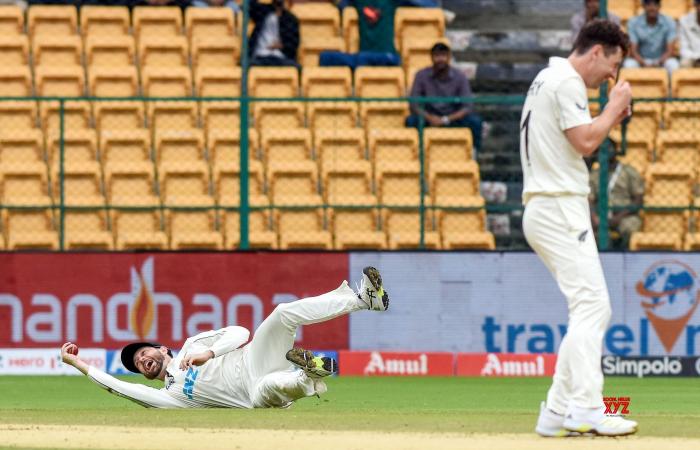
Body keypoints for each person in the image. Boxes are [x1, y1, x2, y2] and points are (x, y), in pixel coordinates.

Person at [520, 19, 638, 436]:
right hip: (557, 208)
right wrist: (613, 106)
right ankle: (586, 408)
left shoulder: (546, 78)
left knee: (587, 307)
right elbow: (585, 143)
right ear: (596, 52)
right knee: (592, 306)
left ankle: (555, 413)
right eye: (613, 64)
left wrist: (609, 116)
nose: (613, 75)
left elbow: (577, 140)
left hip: (547, 206)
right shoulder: (566, 80)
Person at [60, 267, 389, 409]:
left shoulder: (193, 345)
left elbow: (241, 333)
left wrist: (210, 354)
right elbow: (123, 389)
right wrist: (78, 363)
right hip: (249, 394)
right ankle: (308, 373)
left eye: (143, 353)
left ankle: (362, 300)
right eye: (138, 365)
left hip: (252, 358)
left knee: (282, 313)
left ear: (161, 348)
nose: (142, 360)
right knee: (272, 388)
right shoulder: (172, 396)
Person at [406, 42, 483, 152]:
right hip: (429, 117)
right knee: (411, 121)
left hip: (453, 117)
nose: (440, 59)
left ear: (449, 57)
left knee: (475, 122)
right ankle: (417, 153)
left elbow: (468, 106)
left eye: (443, 56)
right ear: (431, 58)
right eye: (437, 56)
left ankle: (473, 153)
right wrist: (430, 117)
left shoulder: (459, 76)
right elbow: (413, 103)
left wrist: (446, 119)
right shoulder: (421, 75)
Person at [589, 141, 644, 249]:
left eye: (609, 148)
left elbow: (638, 200)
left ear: (615, 151)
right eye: (602, 150)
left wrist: (618, 217)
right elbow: (589, 200)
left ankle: (625, 253)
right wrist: (595, 218)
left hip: (624, 215)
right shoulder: (594, 174)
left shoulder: (628, 172)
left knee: (630, 227)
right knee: (588, 230)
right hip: (601, 215)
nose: (606, 152)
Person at [623, 0, 680, 78]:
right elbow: (633, 51)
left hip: (662, 60)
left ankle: (670, 90)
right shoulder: (633, 23)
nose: (652, 8)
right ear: (643, 6)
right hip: (640, 60)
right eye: (648, 4)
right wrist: (644, 63)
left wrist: (658, 63)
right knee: (629, 65)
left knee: (673, 64)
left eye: (655, 4)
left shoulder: (669, 22)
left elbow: (670, 51)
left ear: (659, 6)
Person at [249, 0, 300, 67]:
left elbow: (293, 45)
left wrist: (282, 45)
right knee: (245, 66)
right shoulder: (262, 11)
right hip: (260, 56)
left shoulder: (290, 19)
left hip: (281, 58)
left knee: (296, 67)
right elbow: (249, 5)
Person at [679, 0, 700, 67]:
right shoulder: (684, 21)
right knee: (684, 63)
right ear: (695, 5)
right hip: (692, 58)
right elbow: (683, 49)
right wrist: (697, 58)